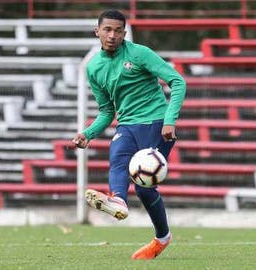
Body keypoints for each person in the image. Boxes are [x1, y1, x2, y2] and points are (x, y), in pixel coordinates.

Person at [71, 10, 186, 259]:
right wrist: (87, 133)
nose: (112, 35)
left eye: (117, 31)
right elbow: (106, 110)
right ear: (97, 31)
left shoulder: (140, 53)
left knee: (144, 188)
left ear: (124, 33)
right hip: (127, 126)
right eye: (107, 30)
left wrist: (170, 120)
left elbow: (177, 81)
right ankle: (119, 201)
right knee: (117, 154)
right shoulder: (94, 68)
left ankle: (162, 238)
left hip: (156, 124)